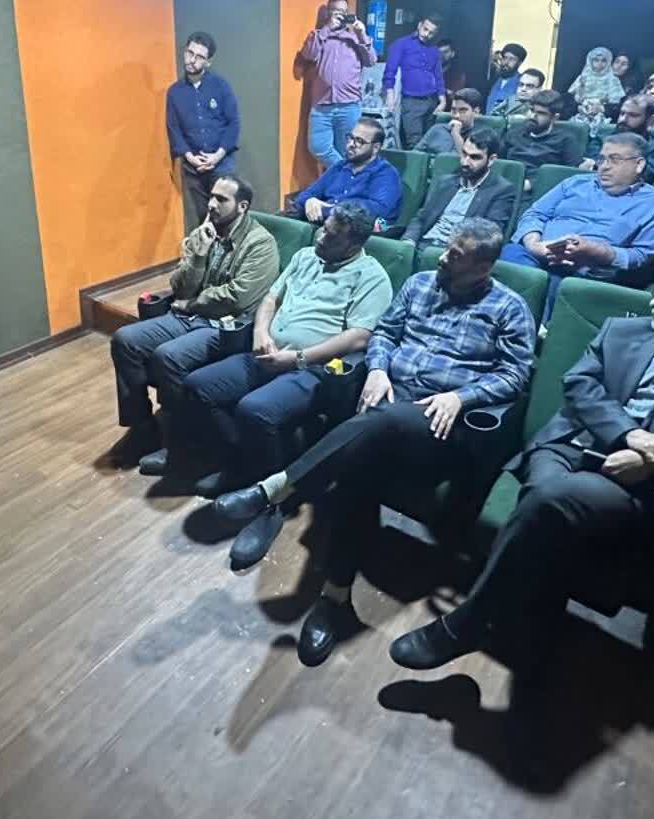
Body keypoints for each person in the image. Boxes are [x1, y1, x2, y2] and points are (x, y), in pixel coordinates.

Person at [386, 257, 654, 675]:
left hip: (633, 480)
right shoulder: (622, 331)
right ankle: (531, 631)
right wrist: (630, 435)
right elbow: (579, 385)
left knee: (548, 500)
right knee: (548, 512)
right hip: (567, 446)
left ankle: (468, 622)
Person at [210, 220, 536, 624]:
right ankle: (334, 599)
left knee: (382, 422)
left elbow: (515, 375)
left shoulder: (508, 308)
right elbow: (384, 333)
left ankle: (274, 489)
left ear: (483, 267)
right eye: (448, 248)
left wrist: (460, 397)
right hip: (388, 403)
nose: (442, 258)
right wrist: (378, 369)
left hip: (441, 422)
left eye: (456, 256)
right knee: (358, 474)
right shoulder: (419, 284)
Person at [168, 201, 394, 494]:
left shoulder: (372, 277)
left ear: (353, 246)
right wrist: (261, 333)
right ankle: (237, 461)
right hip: (267, 352)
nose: (320, 238)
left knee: (254, 409)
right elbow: (270, 299)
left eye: (332, 236)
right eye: (323, 229)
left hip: (312, 368)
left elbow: (359, 337)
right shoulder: (305, 256)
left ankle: (267, 492)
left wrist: (297, 358)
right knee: (198, 385)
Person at [108, 175, 280, 466]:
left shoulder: (261, 244)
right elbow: (180, 286)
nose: (211, 204)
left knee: (168, 356)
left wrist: (192, 303)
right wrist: (199, 255)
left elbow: (237, 298)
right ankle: (143, 427)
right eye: (211, 196)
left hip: (225, 326)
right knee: (125, 340)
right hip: (188, 316)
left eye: (221, 199)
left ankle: (180, 441)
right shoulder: (204, 233)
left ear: (242, 206)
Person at [502, 132, 654, 317]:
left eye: (614, 160)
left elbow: (641, 255)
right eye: (601, 159)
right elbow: (535, 214)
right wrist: (534, 244)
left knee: (553, 284)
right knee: (511, 253)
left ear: (639, 164)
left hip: (586, 273)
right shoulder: (574, 183)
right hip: (535, 257)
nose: (604, 166)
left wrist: (595, 251)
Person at [401, 128, 518, 258]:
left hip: (458, 254)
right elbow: (422, 218)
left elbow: (488, 236)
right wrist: (408, 241)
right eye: (464, 153)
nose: (465, 162)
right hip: (424, 246)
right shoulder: (446, 182)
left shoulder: (502, 191)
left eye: (474, 157)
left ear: (491, 160)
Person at [165, 31, 239, 221]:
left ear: (208, 62)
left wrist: (217, 156)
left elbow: (233, 123)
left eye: (199, 57)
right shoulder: (174, 92)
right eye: (190, 53)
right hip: (193, 168)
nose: (192, 60)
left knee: (227, 216)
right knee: (203, 218)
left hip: (222, 163)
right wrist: (190, 158)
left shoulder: (221, 86)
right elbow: (174, 129)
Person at [297, 0, 376, 169]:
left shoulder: (355, 37)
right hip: (321, 106)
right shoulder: (319, 35)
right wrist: (327, 29)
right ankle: (347, 173)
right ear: (328, 13)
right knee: (318, 147)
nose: (341, 15)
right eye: (336, 11)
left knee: (348, 150)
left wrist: (362, 34)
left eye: (344, 11)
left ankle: (341, 183)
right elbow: (308, 54)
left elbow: (371, 60)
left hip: (349, 105)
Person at [287, 116, 403, 228]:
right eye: (350, 138)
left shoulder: (385, 174)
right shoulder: (340, 166)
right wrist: (309, 201)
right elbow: (307, 194)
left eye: (359, 141)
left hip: (354, 231)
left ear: (376, 147)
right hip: (325, 223)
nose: (351, 144)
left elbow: (378, 210)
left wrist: (328, 209)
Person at [502, 89, 585, 194]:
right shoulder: (514, 132)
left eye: (541, 113)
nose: (532, 116)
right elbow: (498, 162)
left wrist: (533, 184)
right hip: (507, 185)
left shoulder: (566, 140)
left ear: (554, 117)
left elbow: (569, 176)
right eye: (531, 110)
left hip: (541, 191)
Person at [380, 14, 444, 150]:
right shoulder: (401, 44)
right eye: (425, 29)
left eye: (431, 33)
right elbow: (390, 71)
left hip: (431, 101)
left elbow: (438, 76)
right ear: (419, 25)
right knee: (414, 143)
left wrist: (442, 100)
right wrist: (390, 96)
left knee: (431, 144)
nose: (427, 34)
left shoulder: (434, 50)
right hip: (411, 101)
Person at [587, 93, 654, 182]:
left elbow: (638, 176)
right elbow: (588, 166)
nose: (622, 119)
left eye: (633, 115)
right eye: (622, 113)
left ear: (651, 120)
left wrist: (599, 167)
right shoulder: (601, 139)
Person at [412, 87, 483, 154]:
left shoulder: (481, 136)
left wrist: (456, 135)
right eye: (453, 110)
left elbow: (467, 160)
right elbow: (414, 156)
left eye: (462, 110)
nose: (456, 115)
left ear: (476, 112)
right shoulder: (437, 130)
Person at [567, 46, 627, 113]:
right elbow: (576, 97)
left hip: (602, 113)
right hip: (581, 110)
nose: (599, 63)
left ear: (608, 62)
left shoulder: (613, 79)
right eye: (596, 60)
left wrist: (601, 106)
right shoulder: (583, 77)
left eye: (603, 61)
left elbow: (615, 101)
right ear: (590, 61)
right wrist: (581, 87)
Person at [485, 43, 529, 113]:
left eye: (512, 59)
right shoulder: (493, 79)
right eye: (505, 58)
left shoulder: (521, 83)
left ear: (519, 63)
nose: (506, 62)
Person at [437, 41, 468, 107]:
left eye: (445, 52)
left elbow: (455, 96)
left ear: (452, 54)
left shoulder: (458, 74)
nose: (441, 55)